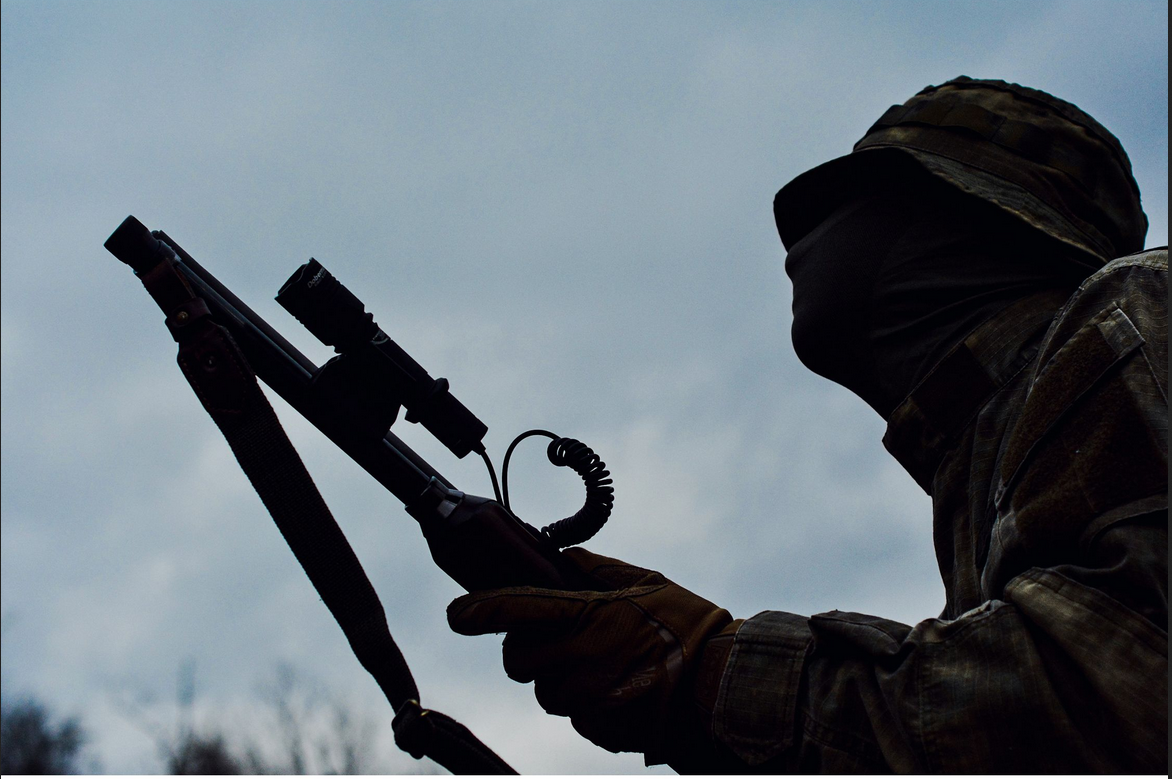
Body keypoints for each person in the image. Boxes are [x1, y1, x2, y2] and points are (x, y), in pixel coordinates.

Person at [447, 77, 1168, 773]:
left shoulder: (1138, 307)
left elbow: (1115, 699)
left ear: (984, 227)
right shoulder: (982, 477)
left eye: (862, 198)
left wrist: (711, 673)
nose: (806, 236)